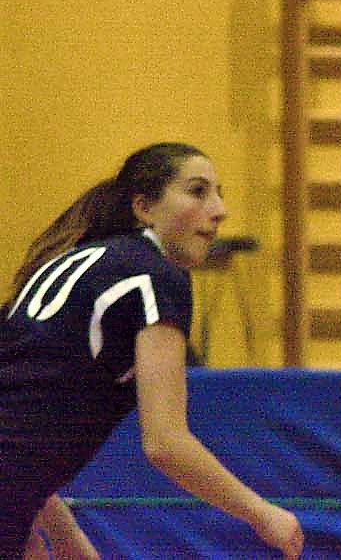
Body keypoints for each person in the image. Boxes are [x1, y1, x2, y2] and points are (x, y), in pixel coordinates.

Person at [1, 142, 304, 559]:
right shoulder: (155, 275)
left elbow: (21, 426)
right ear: (144, 208)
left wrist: (70, 539)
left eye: (219, 194)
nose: (219, 210)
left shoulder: (74, 261)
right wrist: (261, 513)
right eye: (197, 192)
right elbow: (165, 442)